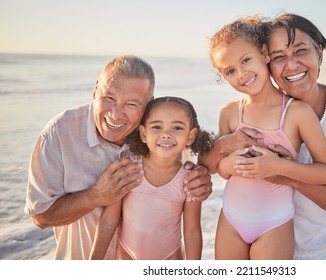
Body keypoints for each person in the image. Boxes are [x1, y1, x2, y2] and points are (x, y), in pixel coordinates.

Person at [201, 13, 326, 260]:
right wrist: (226, 151)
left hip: (325, 248)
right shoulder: (231, 112)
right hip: (240, 227)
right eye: (280, 56)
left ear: (319, 54)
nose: (291, 65)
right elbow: (214, 167)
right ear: (268, 57)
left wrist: (283, 172)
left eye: (300, 51)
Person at [24, 55, 213, 260]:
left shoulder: (161, 136)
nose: (115, 114)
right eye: (109, 98)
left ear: (147, 104)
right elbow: (40, 217)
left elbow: (186, 190)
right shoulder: (59, 132)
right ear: (96, 89)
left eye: (131, 104)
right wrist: (95, 196)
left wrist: (203, 176)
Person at [90, 96, 214, 260]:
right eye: (157, 127)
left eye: (177, 128)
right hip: (127, 256)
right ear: (143, 133)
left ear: (190, 136)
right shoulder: (128, 169)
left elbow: (191, 231)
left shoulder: (189, 180)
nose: (166, 135)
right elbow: (109, 219)